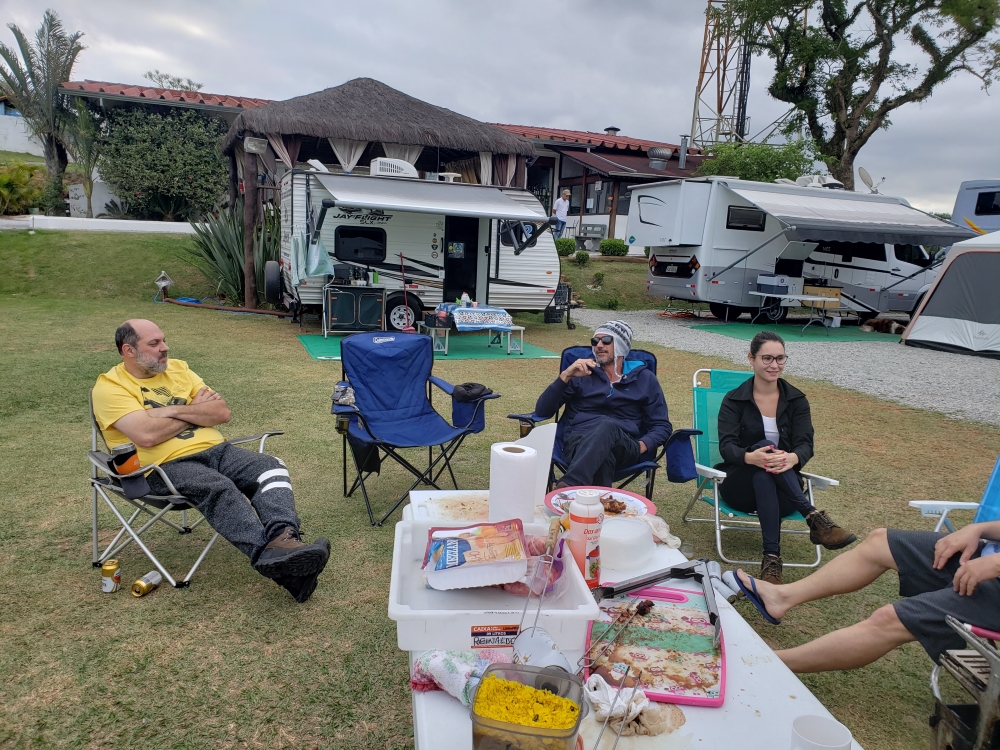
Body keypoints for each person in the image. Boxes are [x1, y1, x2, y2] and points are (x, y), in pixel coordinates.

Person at [92, 319, 330, 603]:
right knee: (217, 486)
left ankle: (285, 538)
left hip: (218, 451)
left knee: (270, 467)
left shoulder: (179, 369)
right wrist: (194, 410)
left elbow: (220, 413)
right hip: (162, 468)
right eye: (154, 343)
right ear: (129, 350)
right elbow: (146, 435)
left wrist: (165, 412)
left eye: (163, 340)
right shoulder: (110, 387)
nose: (164, 348)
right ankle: (274, 559)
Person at [734, 522, 1000, 672]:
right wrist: (978, 529)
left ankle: (770, 664)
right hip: (986, 556)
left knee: (889, 619)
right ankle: (781, 597)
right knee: (879, 541)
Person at [717, 331, 855, 584]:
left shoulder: (796, 400)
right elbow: (726, 447)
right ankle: (813, 516)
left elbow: (805, 445)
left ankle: (771, 559)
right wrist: (751, 457)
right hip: (739, 487)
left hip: (783, 493)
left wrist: (792, 458)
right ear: (751, 358)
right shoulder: (734, 400)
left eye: (780, 358)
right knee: (765, 447)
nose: (774, 365)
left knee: (764, 476)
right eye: (767, 358)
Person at [534, 320, 671, 488]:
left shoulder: (645, 379)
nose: (599, 345)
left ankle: (571, 485)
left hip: (625, 446)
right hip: (578, 444)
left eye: (606, 340)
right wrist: (565, 376)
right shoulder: (581, 375)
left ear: (621, 345)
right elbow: (543, 411)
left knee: (607, 426)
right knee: (604, 457)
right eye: (595, 341)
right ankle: (595, 502)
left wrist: (642, 445)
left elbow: (662, 425)